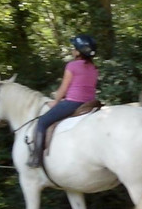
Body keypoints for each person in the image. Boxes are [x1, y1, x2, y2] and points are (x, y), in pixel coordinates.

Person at [29, 33, 98, 168]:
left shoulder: (72, 66)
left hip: (72, 103)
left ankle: (36, 159)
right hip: (90, 103)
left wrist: (55, 101)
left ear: (78, 52)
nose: (72, 50)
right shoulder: (94, 68)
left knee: (42, 122)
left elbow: (63, 88)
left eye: (74, 48)